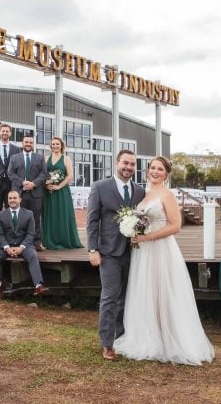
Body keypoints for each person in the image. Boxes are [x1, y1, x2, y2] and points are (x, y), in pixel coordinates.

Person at [113, 157, 215, 365]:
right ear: (148, 171)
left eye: (160, 169)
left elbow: (175, 226)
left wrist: (145, 237)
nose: (155, 171)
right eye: (152, 168)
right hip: (143, 251)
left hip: (160, 249)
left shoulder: (167, 195)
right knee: (147, 292)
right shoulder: (146, 194)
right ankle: (149, 335)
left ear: (167, 174)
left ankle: (168, 338)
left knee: (162, 292)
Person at [86, 149, 145, 361]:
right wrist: (92, 249)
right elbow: (92, 220)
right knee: (110, 297)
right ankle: (107, 343)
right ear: (116, 163)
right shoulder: (100, 187)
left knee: (127, 297)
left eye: (132, 164)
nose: (128, 168)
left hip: (135, 252)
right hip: (108, 252)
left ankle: (122, 337)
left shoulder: (139, 191)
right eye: (125, 163)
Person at [0, 190, 48, 299]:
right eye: (10, 198)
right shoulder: (1, 215)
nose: (12, 200)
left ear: (20, 199)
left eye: (15, 198)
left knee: (33, 256)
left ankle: (38, 285)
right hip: (5, 246)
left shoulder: (29, 214)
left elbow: (30, 234)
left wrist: (21, 247)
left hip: (24, 246)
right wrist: (7, 248)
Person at [7, 134, 48, 251]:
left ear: (33, 144)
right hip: (19, 193)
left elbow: (43, 173)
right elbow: (10, 173)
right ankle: (19, 241)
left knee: (35, 218)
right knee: (19, 217)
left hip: (36, 193)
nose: (28, 144)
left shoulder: (40, 158)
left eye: (30, 142)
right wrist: (23, 183)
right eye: (26, 142)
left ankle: (36, 242)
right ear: (22, 143)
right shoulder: (14, 158)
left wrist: (33, 184)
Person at [42, 136, 83, 249]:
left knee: (62, 214)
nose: (55, 146)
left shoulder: (66, 159)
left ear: (61, 146)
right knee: (50, 215)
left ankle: (64, 240)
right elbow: (43, 174)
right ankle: (49, 240)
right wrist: (46, 185)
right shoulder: (45, 158)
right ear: (50, 146)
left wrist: (59, 186)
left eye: (57, 144)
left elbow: (70, 176)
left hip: (61, 191)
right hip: (48, 192)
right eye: (53, 144)